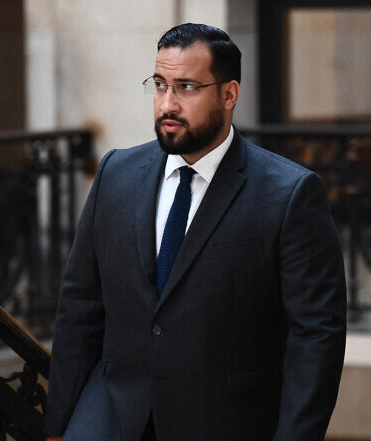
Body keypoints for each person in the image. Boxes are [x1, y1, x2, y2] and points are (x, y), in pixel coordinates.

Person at [43, 23, 347, 441]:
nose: (167, 104)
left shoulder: (289, 194)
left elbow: (316, 338)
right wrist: (58, 425)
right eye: (160, 84)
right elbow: (80, 306)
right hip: (110, 416)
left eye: (186, 87)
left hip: (225, 422)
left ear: (229, 94)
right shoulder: (116, 174)